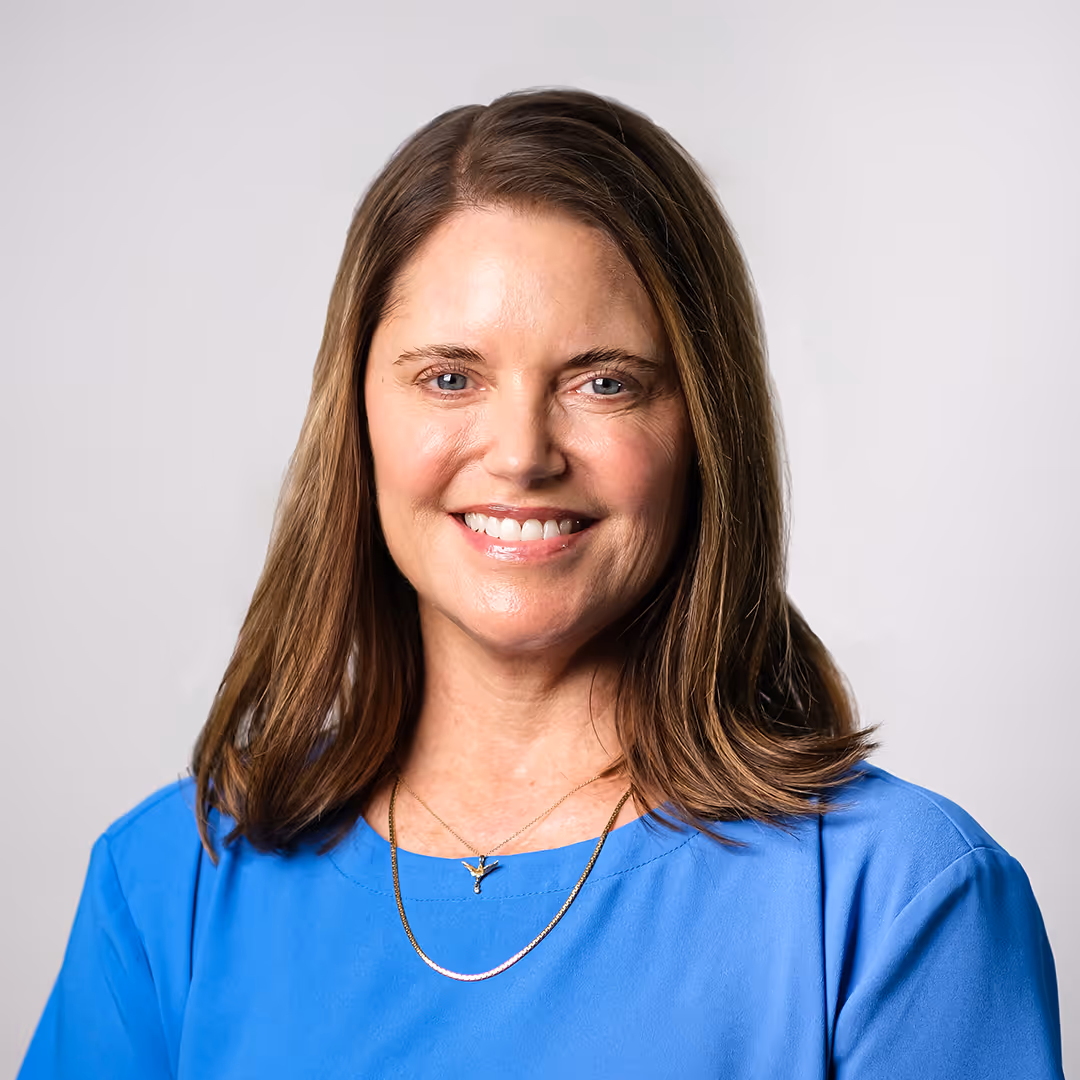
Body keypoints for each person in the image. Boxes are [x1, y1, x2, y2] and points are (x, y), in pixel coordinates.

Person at [19, 88, 1064, 1079]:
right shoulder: (173, 885)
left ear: (703, 428)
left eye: (603, 380)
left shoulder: (899, 902)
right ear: (358, 418)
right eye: (450, 377)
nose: (521, 453)